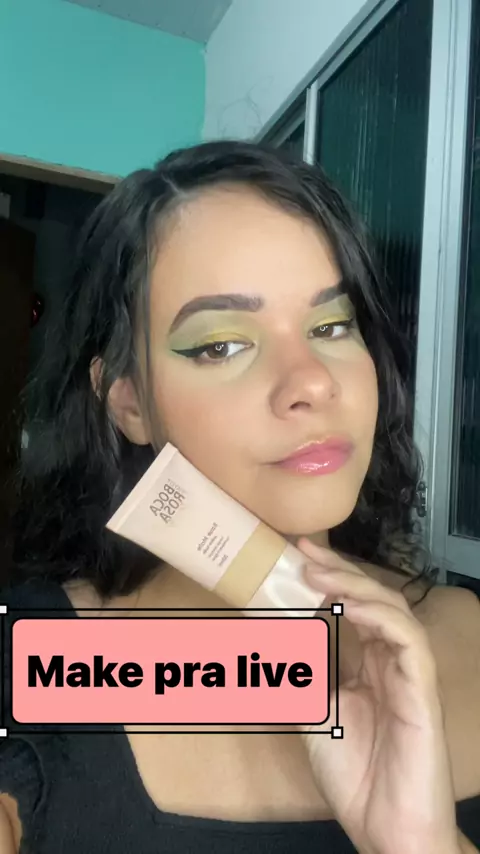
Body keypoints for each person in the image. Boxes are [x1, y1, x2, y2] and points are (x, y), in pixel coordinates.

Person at [0, 140, 479, 854]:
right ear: (129, 403)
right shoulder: (31, 666)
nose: (311, 381)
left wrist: (422, 844)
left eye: (331, 325)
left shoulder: (464, 629)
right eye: (221, 345)